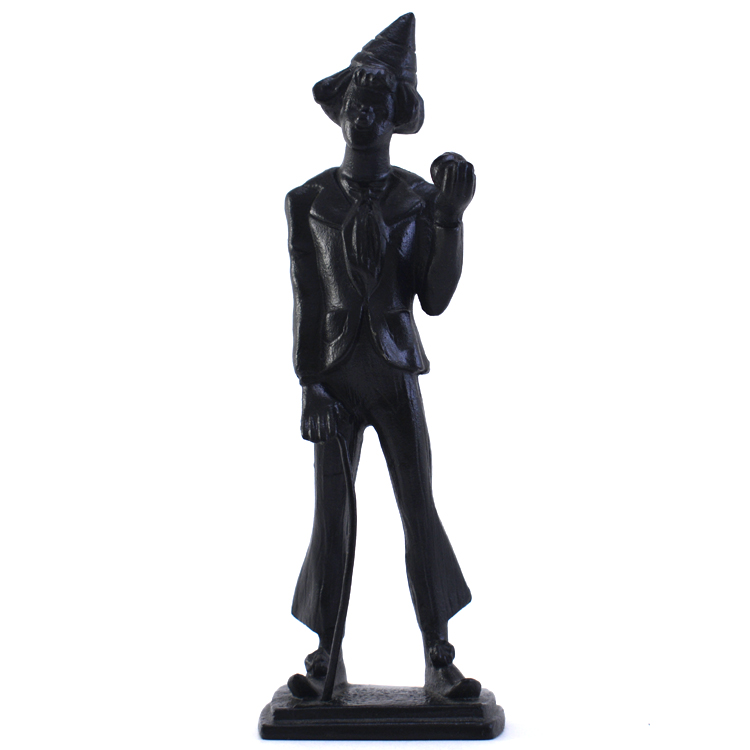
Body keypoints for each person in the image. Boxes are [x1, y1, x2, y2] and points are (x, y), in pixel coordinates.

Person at [285, 13, 478, 700]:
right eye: (354, 102)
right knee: (332, 518)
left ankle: (438, 654)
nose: (363, 115)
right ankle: (325, 654)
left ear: (396, 116)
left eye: (376, 104)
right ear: (339, 110)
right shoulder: (307, 201)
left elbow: (436, 297)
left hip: (395, 374)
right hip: (336, 379)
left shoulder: (419, 199)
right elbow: (307, 298)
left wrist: (449, 220)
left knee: (418, 509)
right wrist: (311, 386)